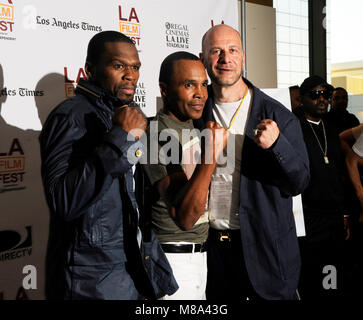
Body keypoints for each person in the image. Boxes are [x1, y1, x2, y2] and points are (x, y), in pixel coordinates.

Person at [39, 31, 177, 300]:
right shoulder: (70, 117)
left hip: (127, 270)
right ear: (90, 69)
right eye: (118, 66)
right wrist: (120, 138)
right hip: (89, 281)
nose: (131, 75)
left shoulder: (123, 114)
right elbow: (62, 201)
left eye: (135, 67)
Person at [194, 24, 310, 300]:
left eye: (233, 50)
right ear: (203, 59)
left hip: (265, 249)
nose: (226, 58)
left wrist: (277, 145)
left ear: (243, 56)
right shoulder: (195, 112)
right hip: (213, 251)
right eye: (217, 51)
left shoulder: (278, 115)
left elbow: (300, 181)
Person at [141, 51, 228, 300]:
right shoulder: (153, 134)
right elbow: (185, 217)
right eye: (189, 84)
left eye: (203, 84)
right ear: (165, 90)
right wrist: (210, 155)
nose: (200, 93)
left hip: (201, 257)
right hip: (171, 261)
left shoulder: (196, 129)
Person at [295, 75, 350, 299]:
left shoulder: (332, 128)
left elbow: (340, 174)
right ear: (301, 99)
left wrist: (345, 213)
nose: (322, 100)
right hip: (308, 217)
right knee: (310, 273)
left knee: (333, 270)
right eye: (315, 95)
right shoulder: (294, 127)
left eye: (326, 95)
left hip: (334, 217)